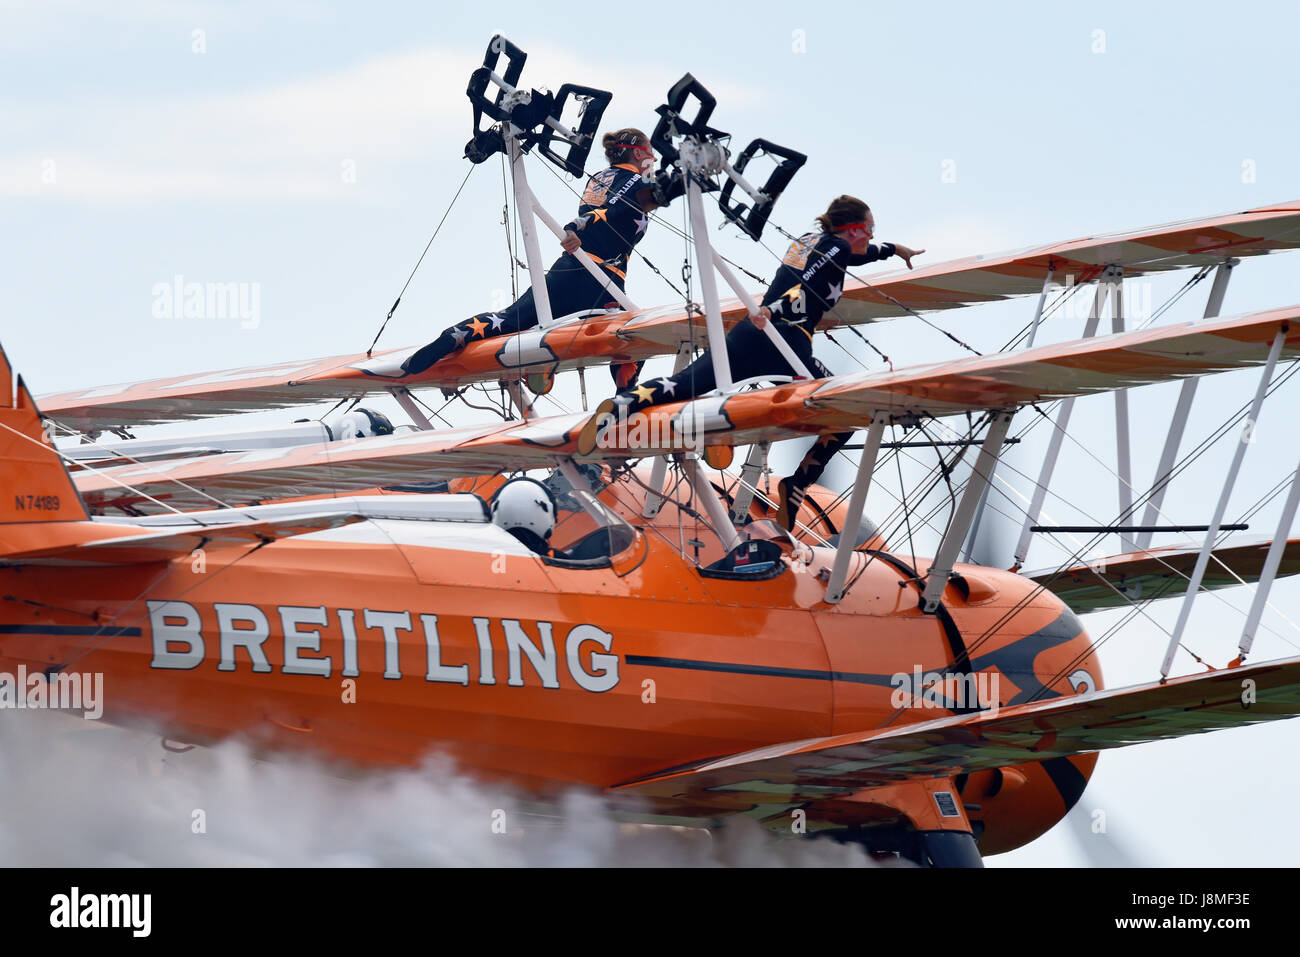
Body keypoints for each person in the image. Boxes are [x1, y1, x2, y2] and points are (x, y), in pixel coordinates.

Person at [577, 194, 923, 530]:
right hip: (785, 341)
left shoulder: (813, 241)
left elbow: (846, 258)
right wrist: (775, 309)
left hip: (748, 334)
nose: (873, 234)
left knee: (685, 385)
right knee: (846, 416)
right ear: (853, 228)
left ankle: (623, 403)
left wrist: (894, 250)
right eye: (870, 227)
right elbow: (806, 283)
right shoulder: (838, 248)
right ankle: (797, 484)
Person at [394, 129, 684, 385]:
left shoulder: (601, 177)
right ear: (637, 152)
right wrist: (574, 228)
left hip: (567, 273)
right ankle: (625, 401)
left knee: (508, 319)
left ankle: (451, 337)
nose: (654, 159)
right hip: (599, 282)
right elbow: (610, 211)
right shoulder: (632, 180)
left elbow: (610, 208)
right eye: (651, 152)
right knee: (636, 337)